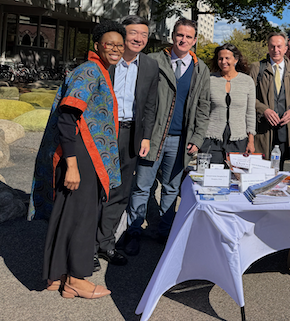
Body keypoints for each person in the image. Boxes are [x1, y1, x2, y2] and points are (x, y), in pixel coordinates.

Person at [29, 20, 126, 299]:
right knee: (84, 218)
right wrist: (71, 164)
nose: (116, 49)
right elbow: (68, 117)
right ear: (97, 46)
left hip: (84, 154)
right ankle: (76, 278)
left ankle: (56, 275)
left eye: (120, 45)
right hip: (83, 156)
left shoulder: (98, 71)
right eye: (110, 43)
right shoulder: (90, 70)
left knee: (68, 215)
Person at [125, 18, 210, 255]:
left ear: (194, 40)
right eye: (179, 35)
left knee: (172, 188)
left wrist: (198, 136)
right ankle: (133, 232)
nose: (183, 40)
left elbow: (204, 107)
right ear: (173, 36)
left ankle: (165, 232)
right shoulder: (153, 60)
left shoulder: (200, 69)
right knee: (142, 186)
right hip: (152, 137)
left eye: (188, 37)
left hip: (181, 140)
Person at [94, 16, 158, 270]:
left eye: (144, 34)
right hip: (104, 132)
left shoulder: (150, 66)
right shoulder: (106, 61)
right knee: (97, 190)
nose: (139, 38)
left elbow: (151, 104)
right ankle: (86, 247)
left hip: (131, 134)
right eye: (133, 33)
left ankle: (105, 243)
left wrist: (146, 137)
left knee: (120, 192)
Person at [249, 32, 290, 168]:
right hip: (263, 132)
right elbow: (248, 97)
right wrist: (264, 110)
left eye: (279, 46)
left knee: (281, 173)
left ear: (285, 49)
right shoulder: (257, 68)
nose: (276, 50)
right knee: (261, 171)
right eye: (272, 46)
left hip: (285, 131)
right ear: (268, 47)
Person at [200, 44, 256, 164]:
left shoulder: (247, 81)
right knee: (212, 176)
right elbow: (202, 110)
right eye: (220, 58)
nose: (223, 61)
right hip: (212, 137)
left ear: (236, 59)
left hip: (238, 139)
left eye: (227, 58)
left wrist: (251, 141)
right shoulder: (209, 80)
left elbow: (250, 113)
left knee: (235, 177)